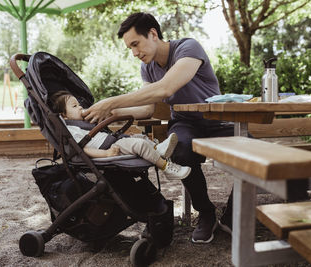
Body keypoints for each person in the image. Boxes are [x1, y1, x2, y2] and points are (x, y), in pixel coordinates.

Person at [82, 12, 234, 243]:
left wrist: (111, 101)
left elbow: (165, 88)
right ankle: (206, 213)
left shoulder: (188, 48)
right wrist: (108, 113)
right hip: (185, 122)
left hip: (218, 120)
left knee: (253, 152)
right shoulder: (148, 68)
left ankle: (234, 214)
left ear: (153, 34)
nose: (134, 53)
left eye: (136, 44)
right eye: (129, 48)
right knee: (180, 151)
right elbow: (146, 109)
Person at [50, 90, 191, 180]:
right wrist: (105, 154)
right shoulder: (72, 130)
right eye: (74, 106)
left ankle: (157, 149)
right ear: (64, 116)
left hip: (112, 141)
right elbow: (82, 149)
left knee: (139, 137)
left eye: (78, 104)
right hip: (107, 149)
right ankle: (166, 167)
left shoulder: (83, 123)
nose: (80, 107)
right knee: (139, 144)